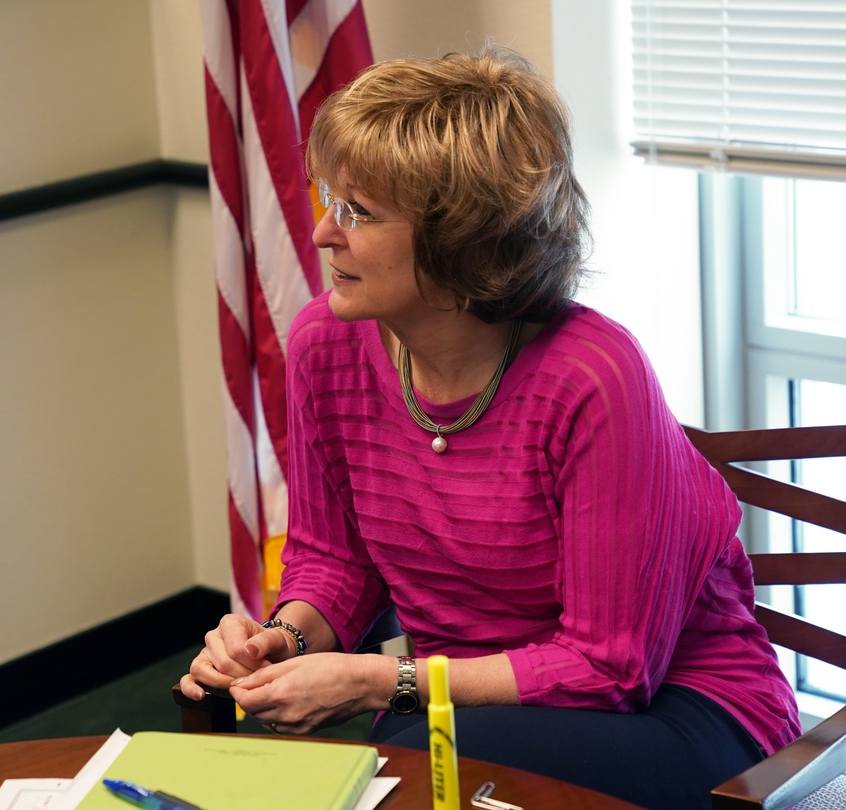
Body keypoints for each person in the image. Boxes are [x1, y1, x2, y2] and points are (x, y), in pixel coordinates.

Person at [180, 47, 800, 809]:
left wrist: (381, 679)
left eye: (358, 212)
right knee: (401, 773)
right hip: (458, 706)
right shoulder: (323, 347)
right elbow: (332, 562)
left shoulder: (594, 378)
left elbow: (609, 671)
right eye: (327, 200)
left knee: (398, 776)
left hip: (683, 713)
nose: (321, 235)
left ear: (463, 240)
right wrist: (287, 639)